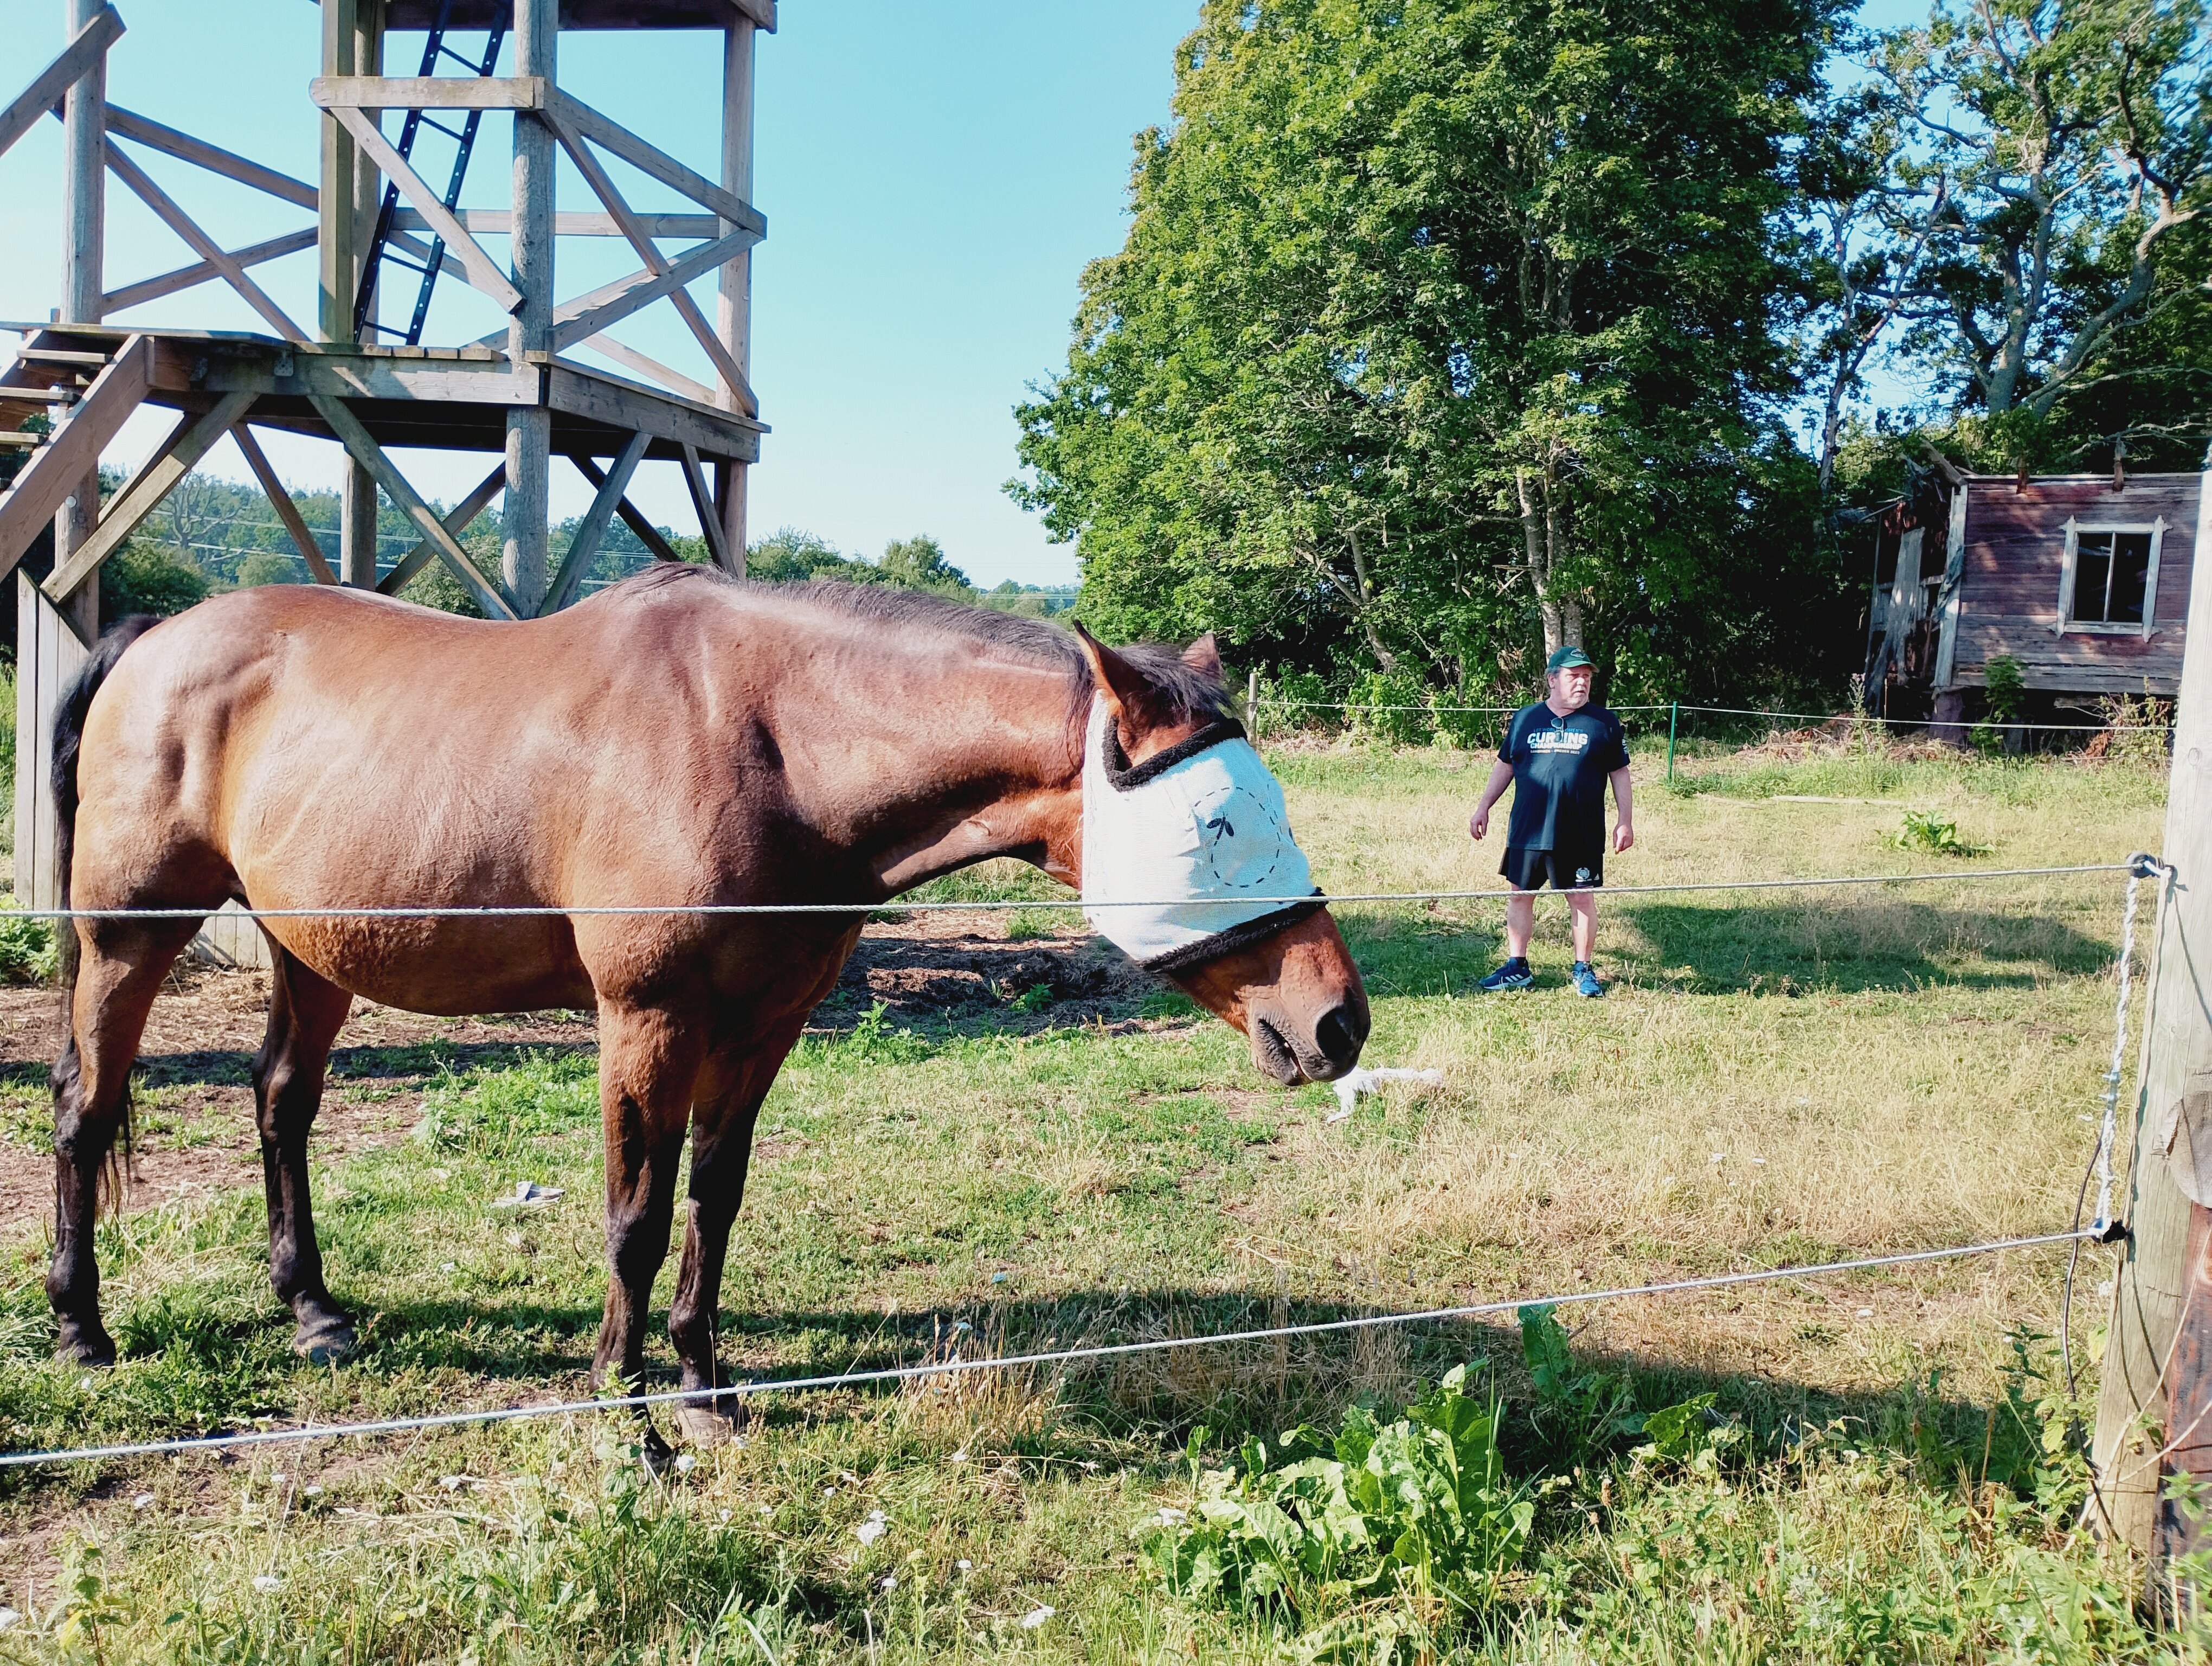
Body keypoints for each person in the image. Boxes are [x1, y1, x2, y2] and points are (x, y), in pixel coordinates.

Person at [1467, 645, 1633, 997]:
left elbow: (1620, 772)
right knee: (1520, 896)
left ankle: (1583, 969)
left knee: (1582, 898)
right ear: (1553, 680)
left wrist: (1625, 821)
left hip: (1581, 832)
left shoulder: (1604, 722)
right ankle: (1518, 967)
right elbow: (1506, 764)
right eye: (1575, 676)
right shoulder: (1526, 718)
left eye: (1587, 677)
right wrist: (1484, 807)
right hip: (1528, 829)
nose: (1583, 683)